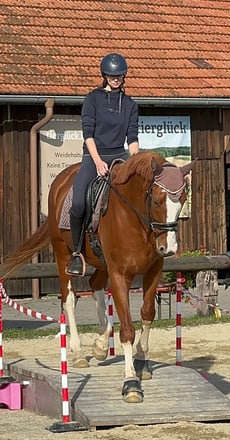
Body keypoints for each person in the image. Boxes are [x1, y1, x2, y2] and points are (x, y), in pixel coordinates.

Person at [66, 52, 139, 276]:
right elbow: (88, 134)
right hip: (93, 155)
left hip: (120, 154)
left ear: (124, 76)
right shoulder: (92, 99)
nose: (115, 79)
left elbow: (133, 139)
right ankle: (77, 252)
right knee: (78, 202)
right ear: (104, 75)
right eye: (111, 75)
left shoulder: (130, 104)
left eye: (118, 75)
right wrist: (97, 162)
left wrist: (134, 162)